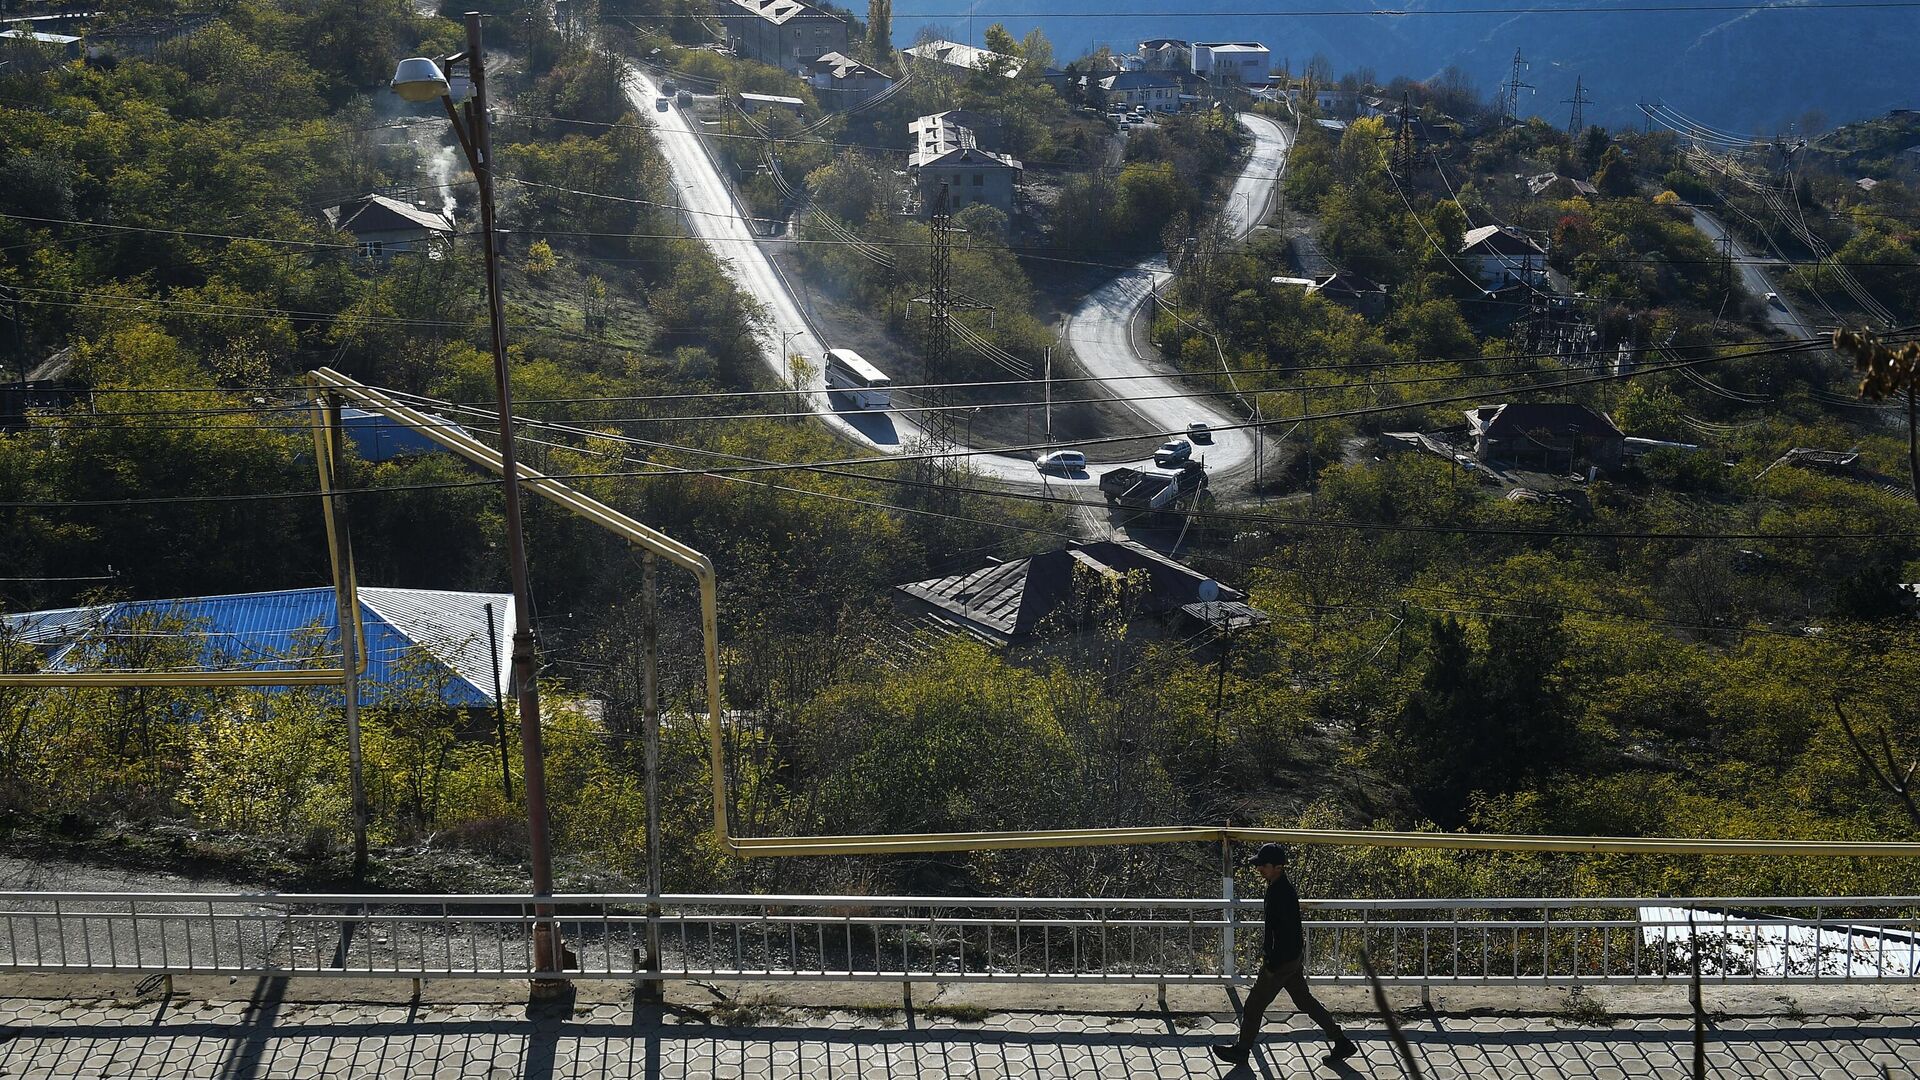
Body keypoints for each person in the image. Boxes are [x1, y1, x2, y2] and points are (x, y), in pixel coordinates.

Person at [1214, 843, 1358, 1067]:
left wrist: (1272, 962)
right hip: (1290, 959)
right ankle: (1341, 1041)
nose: (1259, 868)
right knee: (1304, 1001)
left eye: (1263, 865)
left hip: (1281, 961)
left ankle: (1242, 1051)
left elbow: (1286, 931)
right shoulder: (1278, 886)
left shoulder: (1281, 892)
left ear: (1278, 867)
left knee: (1253, 1006)